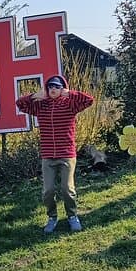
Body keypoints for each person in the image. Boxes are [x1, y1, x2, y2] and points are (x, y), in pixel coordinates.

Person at [16, 74, 94, 233]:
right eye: (50, 86)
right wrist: (34, 96)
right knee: (48, 191)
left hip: (67, 154)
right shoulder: (41, 106)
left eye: (57, 87)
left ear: (62, 88)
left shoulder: (70, 104)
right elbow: (20, 104)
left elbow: (89, 100)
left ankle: (72, 216)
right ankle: (52, 217)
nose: (53, 89)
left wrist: (70, 93)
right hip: (48, 156)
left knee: (67, 189)